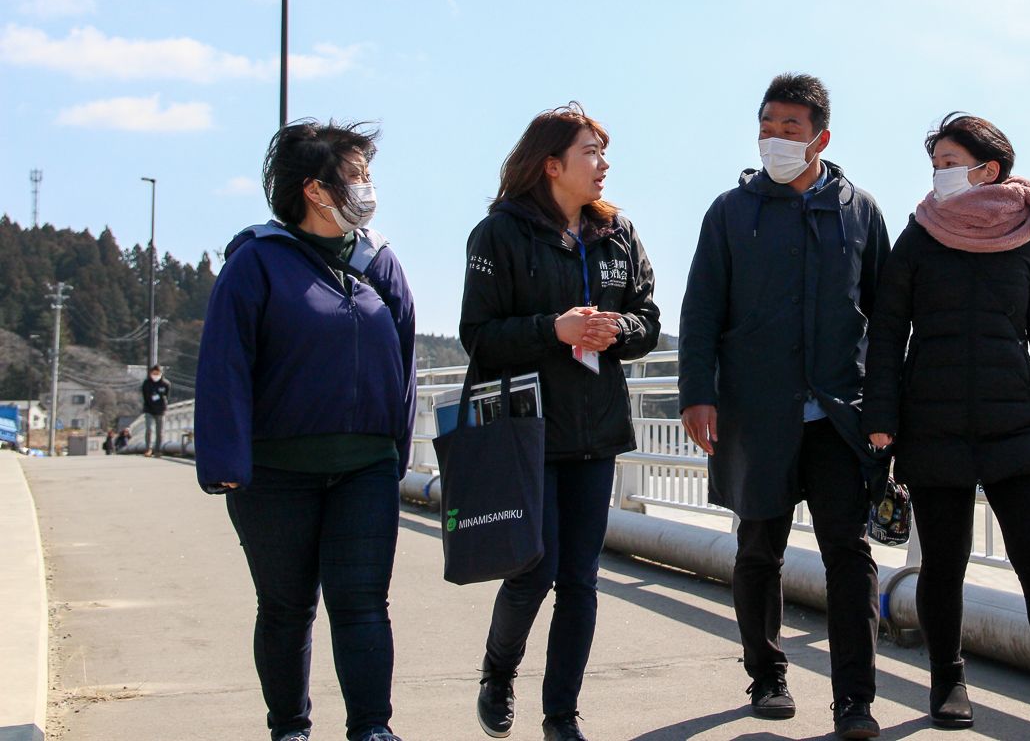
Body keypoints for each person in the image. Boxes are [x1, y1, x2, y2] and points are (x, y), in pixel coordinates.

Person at [862, 113, 1030, 739]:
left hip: (1018, 426)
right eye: (936, 164)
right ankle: (947, 682)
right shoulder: (918, 236)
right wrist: (883, 420)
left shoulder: (1028, 234)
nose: (938, 175)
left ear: (988, 169)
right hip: (933, 426)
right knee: (944, 564)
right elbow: (889, 331)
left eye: (949, 163)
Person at [678, 74, 890, 740]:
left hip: (838, 415)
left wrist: (886, 410)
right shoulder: (729, 212)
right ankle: (766, 673)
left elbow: (886, 319)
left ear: (821, 137)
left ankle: (855, 698)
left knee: (848, 554)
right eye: (766, 125)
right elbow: (702, 308)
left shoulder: (860, 212)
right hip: (756, 410)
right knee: (757, 550)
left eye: (789, 128)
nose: (774, 137)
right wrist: (696, 394)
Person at [194, 120, 415, 741]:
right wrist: (226, 464)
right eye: (356, 176)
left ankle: (372, 729)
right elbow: (224, 367)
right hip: (272, 472)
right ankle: (290, 727)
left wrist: (393, 450)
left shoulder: (380, 262)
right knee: (287, 608)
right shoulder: (256, 263)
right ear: (316, 191)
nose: (367, 189)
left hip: (365, 468)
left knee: (362, 603)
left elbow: (404, 363)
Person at [460, 103, 661, 741]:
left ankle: (561, 715)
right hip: (526, 430)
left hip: (595, 430)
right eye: (591, 154)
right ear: (552, 165)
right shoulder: (497, 234)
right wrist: (556, 329)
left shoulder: (618, 233)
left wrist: (617, 329)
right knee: (534, 571)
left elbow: (648, 319)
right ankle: (498, 673)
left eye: (603, 153)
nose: (604, 166)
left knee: (580, 580)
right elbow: (479, 337)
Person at [141, 364, 170, 456]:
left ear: (161, 373)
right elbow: (144, 396)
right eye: (153, 373)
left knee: (159, 431)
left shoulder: (165, 384)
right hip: (149, 409)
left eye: (157, 373)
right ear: (150, 373)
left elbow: (167, 396)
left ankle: (158, 450)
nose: (155, 375)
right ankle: (148, 449)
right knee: (149, 429)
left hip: (161, 410)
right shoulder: (146, 383)